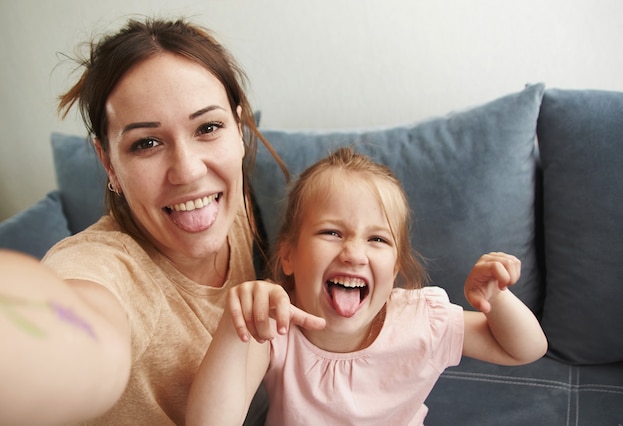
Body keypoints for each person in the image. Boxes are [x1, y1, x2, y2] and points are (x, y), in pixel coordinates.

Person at [0, 17, 289, 425]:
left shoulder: (238, 207)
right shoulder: (103, 269)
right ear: (108, 164)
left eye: (208, 127)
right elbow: (71, 335)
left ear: (238, 131)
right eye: (147, 143)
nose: (188, 171)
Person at [186, 147, 548, 425]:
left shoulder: (423, 320)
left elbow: (525, 349)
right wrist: (238, 328)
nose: (354, 254)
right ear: (288, 257)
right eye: (332, 232)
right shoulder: (276, 328)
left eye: (377, 239)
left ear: (394, 272)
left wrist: (496, 299)